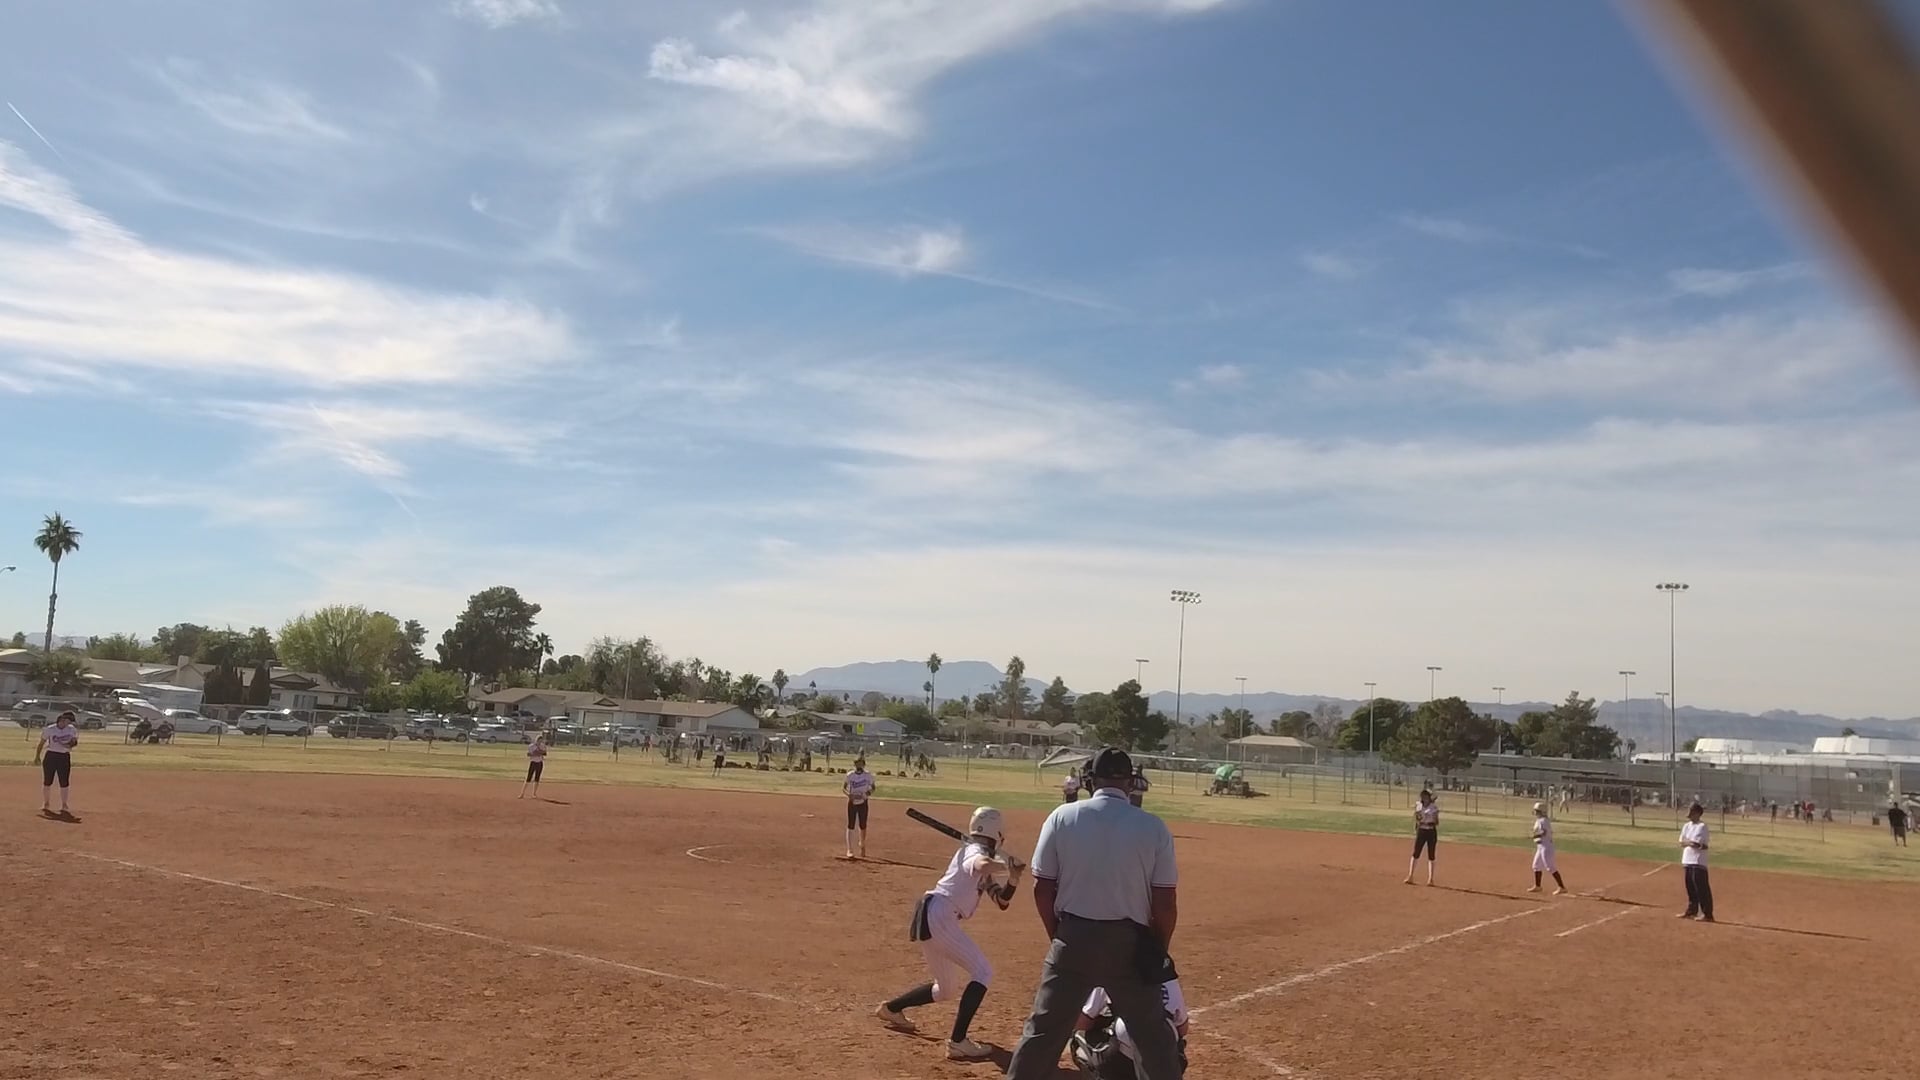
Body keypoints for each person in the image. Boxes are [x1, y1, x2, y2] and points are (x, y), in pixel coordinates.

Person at [1005, 747, 1182, 1080]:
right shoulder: (1153, 827)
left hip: (1073, 936)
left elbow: (1042, 888)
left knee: (1042, 1033)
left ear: (1089, 780)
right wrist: (1157, 948)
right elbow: (1165, 902)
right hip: (1131, 944)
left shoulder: (1062, 817)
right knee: (1153, 1040)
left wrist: (1059, 936)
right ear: (1131, 782)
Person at [873, 807, 1022, 1062]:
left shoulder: (978, 853)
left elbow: (1002, 901)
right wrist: (1005, 866)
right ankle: (958, 1042)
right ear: (998, 834)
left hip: (933, 915)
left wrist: (1014, 879)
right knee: (983, 972)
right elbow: (981, 864)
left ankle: (891, 1009)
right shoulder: (975, 851)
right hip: (940, 914)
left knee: (945, 989)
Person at [1070, 969, 1190, 1079]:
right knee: (1169, 1031)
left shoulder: (1111, 971)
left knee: (1078, 1037)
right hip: (1167, 1060)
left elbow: (1083, 1022)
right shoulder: (1166, 974)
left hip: (1122, 1061)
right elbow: (1182, 1028)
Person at [34, 710, 80, 818]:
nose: (70, 723)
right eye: (69, 720)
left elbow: (74, 741)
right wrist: (37, 756)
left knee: (64, 781)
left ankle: (64, 804)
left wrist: (70, 745)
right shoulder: (50, 729)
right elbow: (41, 743)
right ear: (63, 719)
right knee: (47, 781)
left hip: (64, 757)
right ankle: (46, 803)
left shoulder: (71, 729)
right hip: (51, 756)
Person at [1679, 802, 1714, 922]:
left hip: (1698, 861)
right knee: (1690, 888)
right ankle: (1692, 910)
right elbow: (1682, 842)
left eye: (1692, 811)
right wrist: (1689, 842)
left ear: (1698, 813)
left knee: (1701, 888)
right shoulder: (1686, 826)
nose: (1689, 814)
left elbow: (1698, 844)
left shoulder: (1702, 826)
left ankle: (1707, 914)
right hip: (1687, 860)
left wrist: (1689, 842)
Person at [1528, 803, 1567, 895]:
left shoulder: (1544, 821)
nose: (1535, 812)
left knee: (1550, 867)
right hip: (1540, 846)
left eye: (1537, 811)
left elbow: (1543, 832)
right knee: (1536, 865)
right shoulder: (1539, 820)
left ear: (1541, 811)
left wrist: (1534, 835)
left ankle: (1562, 887)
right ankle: (1538, 886)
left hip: (1546, 847)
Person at [843, 757, 875, 858]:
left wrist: (867, 794)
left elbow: (873, 787)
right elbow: (844, 788)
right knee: (851, 825)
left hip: (863, 802)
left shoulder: (868, 775)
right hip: (852, 802)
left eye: (861, 764)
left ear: (864, 765)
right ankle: (850, 849)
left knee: (863, 825)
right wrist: (849, 795)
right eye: (857, 764)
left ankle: (862, 843)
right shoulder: (850, 775)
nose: (859, 766)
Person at [1406, 789, 1439, 886]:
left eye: (1426, 796)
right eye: (1423, 796)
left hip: (1431, 831)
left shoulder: (1433, 807)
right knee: (1416, 853)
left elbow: (1437, 822)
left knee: (1431, 855)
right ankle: (1410, 876)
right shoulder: (1419, 806)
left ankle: (1431, 879)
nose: (1424, 798)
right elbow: (1417, 819)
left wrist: (1430, 818)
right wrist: (1418, 821)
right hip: (1421, 831)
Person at [520, 734, 548, 798]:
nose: (540, 742)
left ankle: (534, 793)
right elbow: (529, 754)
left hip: (539, 763)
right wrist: (535, 753)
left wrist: (539, 751)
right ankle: (522, 793)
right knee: (528, 778)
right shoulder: (531, 746)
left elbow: (545, 753)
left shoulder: (543, 746)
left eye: (541, 740)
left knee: (537, 778)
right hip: (533, 762)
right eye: (539, 740)